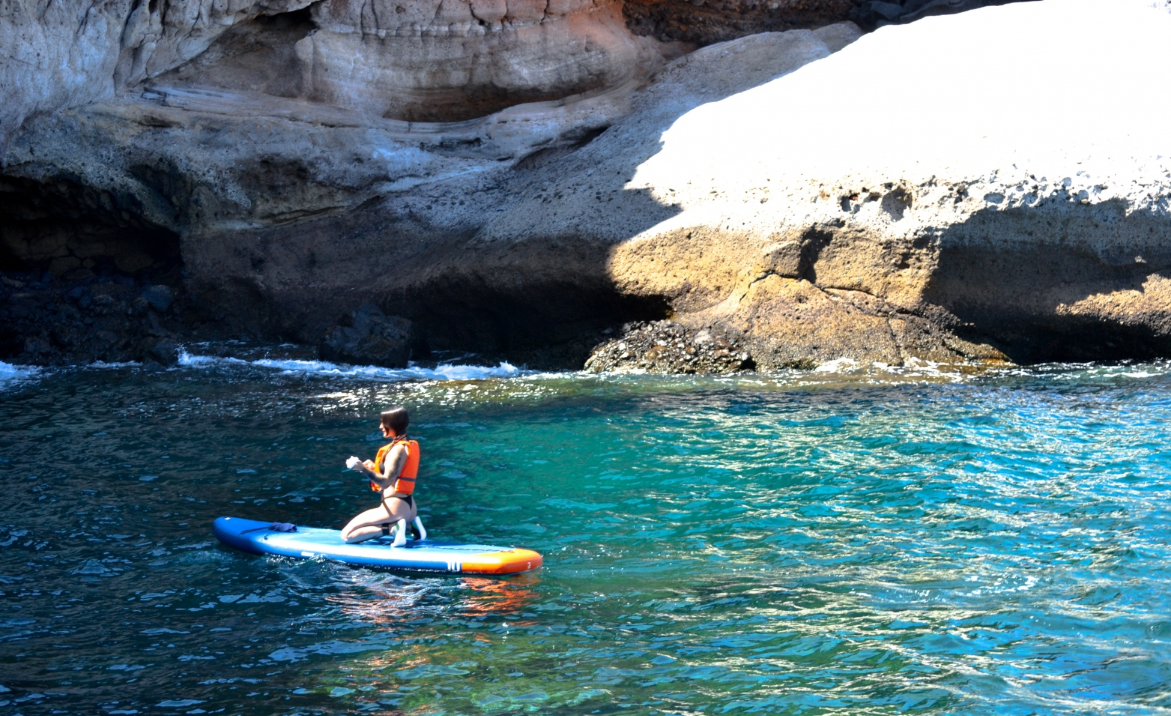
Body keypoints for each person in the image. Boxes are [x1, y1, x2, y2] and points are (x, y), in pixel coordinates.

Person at [341, 406, 427, 547]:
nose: (381, 426)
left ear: (394, 424)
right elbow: (396, 474)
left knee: (347, 535)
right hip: (409, 507)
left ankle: (392, 529)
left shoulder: (397, 450)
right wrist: (372, 467)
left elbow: (386, 482)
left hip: (395, 507)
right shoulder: (407, 444)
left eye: (383, 423)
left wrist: (363, 469)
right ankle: (413, 527)